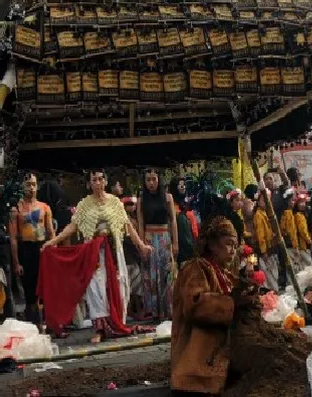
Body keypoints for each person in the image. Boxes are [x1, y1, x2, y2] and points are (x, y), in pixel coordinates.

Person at [39, 169, 152, 343]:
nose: (98, 183)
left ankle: (116, 324)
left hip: (114, 250)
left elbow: (128, 226)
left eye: (100, 179)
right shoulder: (84, 204)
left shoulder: (115, 202)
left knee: (119, 285)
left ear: (105, 182)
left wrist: (141, 245)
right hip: (93, 253)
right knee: (95, 289)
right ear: (89, 184)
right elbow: (72, 227)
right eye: (94, 180)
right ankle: (100, 328)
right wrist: (53, 242)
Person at [171, 216, 259, 395]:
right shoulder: (195, 268)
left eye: (235, 246)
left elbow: (235, 292)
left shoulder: (223, 272)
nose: (233, 250)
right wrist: (232, 303)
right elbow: (195, 304)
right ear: (212, 245)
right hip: (197, 361)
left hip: (217, 354)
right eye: (228, 243)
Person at [9, 172, 56, 326]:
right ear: (22, 187)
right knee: (30, 292)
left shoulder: (44, 207)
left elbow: (51, 233)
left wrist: (54, 254)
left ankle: (51, 324)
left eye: (34, 184)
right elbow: (13, 238)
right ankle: (34, 326)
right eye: (28, 184)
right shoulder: (16, 209)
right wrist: (16, 262)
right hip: (26, 251)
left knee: (47, 289)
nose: (31, 188)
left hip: (42, 249)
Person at [138, 169, 178, 321]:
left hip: (164, 237)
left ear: (159, 180)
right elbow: (141, 222)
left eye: (154, 179)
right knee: (152, 275)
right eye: (148, 180)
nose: (151, 183)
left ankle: (169, 309)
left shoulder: (168, 197)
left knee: (166, 274)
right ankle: (154, 311)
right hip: (149, 238)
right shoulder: (142, 199)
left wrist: (175, 242)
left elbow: (173, 220)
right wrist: (142, 243)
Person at [252, 189, 277, 291]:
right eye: (263, 200)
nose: (266, 202)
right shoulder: (258, 215)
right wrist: (264, 252)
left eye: (268, 200)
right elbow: (260, 236)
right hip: (265, 251)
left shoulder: (264, 213)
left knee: (272, 274)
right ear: (258, 201)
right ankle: (268, 296)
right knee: (268, 276)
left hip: (269, 249)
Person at [294, 193, 312, 267]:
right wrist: (309, 241)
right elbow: (303, 231)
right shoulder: (299, 216)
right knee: (308, 266)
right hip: (303, 245)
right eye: (300, 202)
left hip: (300, 246)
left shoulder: (299, 215)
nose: (302, 204)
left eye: (304, 202)